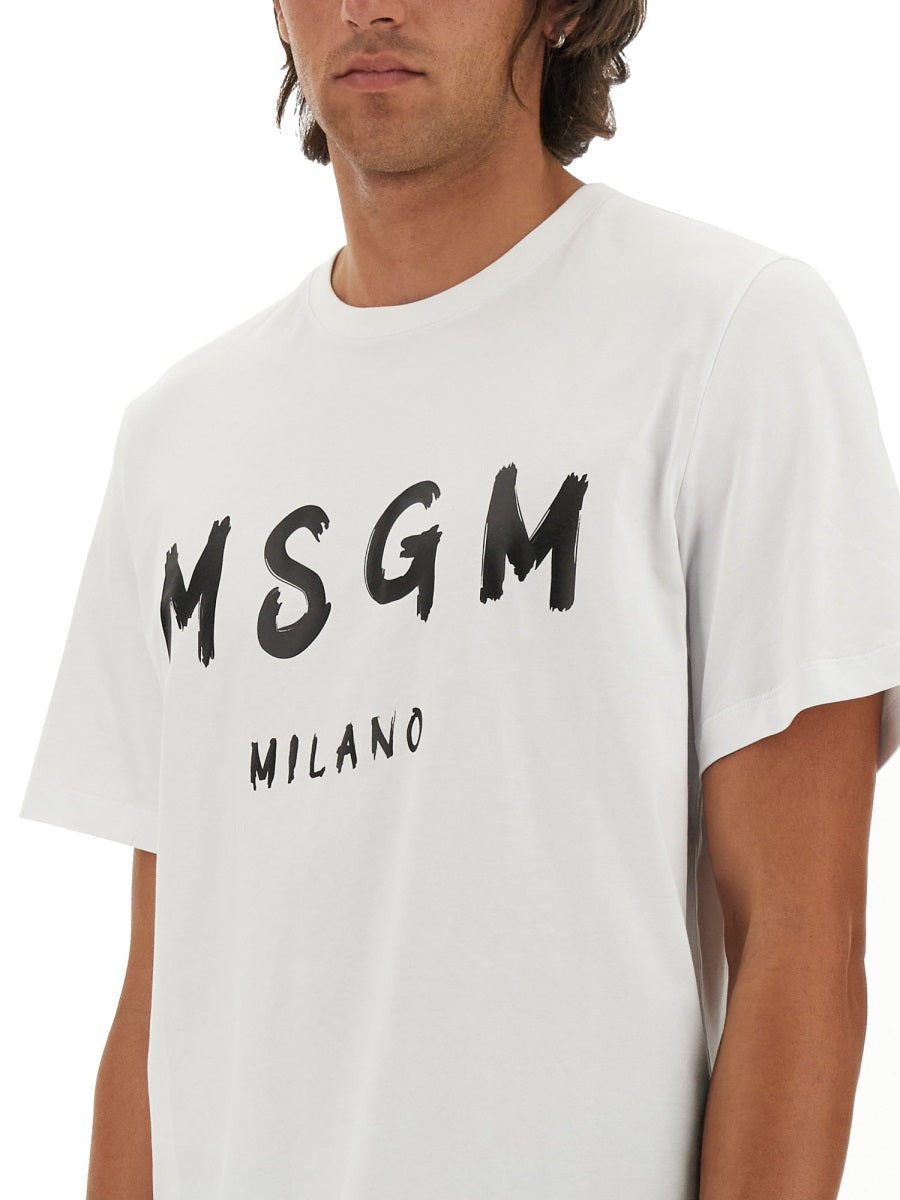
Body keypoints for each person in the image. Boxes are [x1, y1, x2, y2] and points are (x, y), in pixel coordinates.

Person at [19, 2, 900, 1197]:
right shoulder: (178, 439)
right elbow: (157, 1000)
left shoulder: (730, 339)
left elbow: (803, 946)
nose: (368, 7)